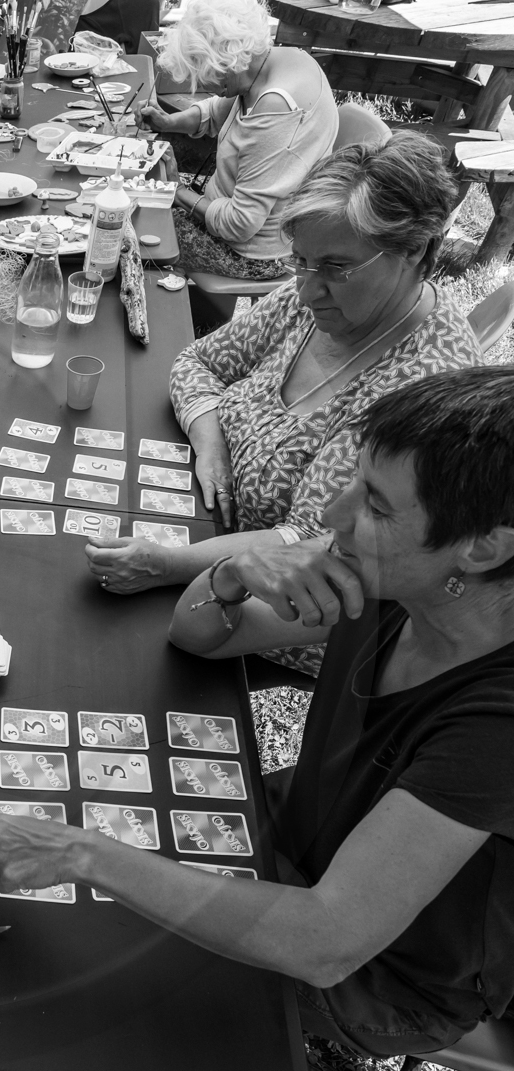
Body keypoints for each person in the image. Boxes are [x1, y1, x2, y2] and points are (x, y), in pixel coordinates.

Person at [0, 366, 514, 1056]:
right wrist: (232, 574)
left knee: (91, 939)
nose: (334, 518)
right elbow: (197, 635)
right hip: (287, 830)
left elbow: (324, 942)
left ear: (484, 546)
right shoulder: (396, 580)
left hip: (387, 973)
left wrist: (78, 852)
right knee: (97, 848)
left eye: (375, 504)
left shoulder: (495, 723)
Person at [87, 132, 482, 672]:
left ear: (414, 250)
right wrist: (211, 447)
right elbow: (197, 363)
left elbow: (310, 541)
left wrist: (164, 563)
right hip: (201, 519)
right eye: (300, 261)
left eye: (336, 268)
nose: (305, 290)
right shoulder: (320, 296)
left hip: (268, 605)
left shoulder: (423, 384)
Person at [136, 0, 337, 280]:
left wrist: (177, 190)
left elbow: (240, 224)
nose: (202, 88)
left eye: (205, 77)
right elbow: (219, 110)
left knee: (135, 228)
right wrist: (168, 122)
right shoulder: (271, 64)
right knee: (139, 203)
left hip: (251, 253)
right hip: (225, 219)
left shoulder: (278, 108)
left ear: (229, 62)